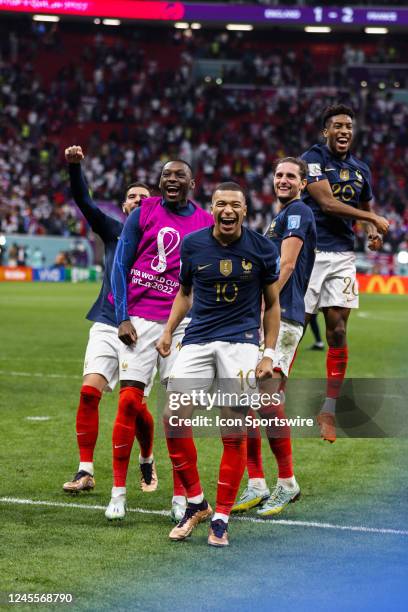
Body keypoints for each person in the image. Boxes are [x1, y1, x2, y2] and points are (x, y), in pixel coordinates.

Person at [156, 182, 281, 547]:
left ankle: (222, 516)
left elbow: (272, 305)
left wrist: (268, 353)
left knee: (234, 426)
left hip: (241, 343)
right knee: (172, 417)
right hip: (197, 339)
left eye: (235, 205)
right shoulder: (193, 244)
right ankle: (196, 503)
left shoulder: (262, 248)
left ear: (245, 210)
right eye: (221, 204)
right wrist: (168, 332)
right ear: (212, 208)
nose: (228, 210)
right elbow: (185, 293)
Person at [106, 159, 213, 521]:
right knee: (128, 404)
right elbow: (120, 264)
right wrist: (122, 316)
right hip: (138, 320)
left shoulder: (205, 222)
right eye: (165, 175)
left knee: (178, 412)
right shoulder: (143, 212)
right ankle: (118, 492)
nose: (171, 180)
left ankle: (182, 497)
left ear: (191, 183)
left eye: (178, 175)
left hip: (182, 324)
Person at [62, 145, 152, 494]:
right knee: (88, 393)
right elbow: (84, 201)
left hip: (144, 326)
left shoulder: (165, 240)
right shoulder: (113, 229)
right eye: (132, 197)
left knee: (134, 405)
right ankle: (85, 470)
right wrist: (75, 167)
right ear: (125, 205)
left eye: (145, 197)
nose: (137, 201)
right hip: (106, 320)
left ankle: (146, 457)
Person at [232, 158, 316, 517]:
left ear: (303, 183)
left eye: (290, 176)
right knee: (248, 402)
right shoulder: (279, 217)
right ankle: (256, 483)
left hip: (284, 315)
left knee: (266, 400)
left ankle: (287, 483)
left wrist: (266, 302)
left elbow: (287, 265)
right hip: (264, 316)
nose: (283, 180)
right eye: (279, 175)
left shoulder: (298, 212)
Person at [301, 104, 389, 442]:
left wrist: (372, 231)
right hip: (310, 251)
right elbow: (326, 203)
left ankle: (328, 410)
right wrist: (370, 220)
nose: (344, 131)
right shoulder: (312, 158)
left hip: (341, 255)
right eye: (337, 125)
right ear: (326, 131)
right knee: (295, 329)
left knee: (337, 332)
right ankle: (270, 401)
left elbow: (366, 203)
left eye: (348, 126)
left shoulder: (360, 168)